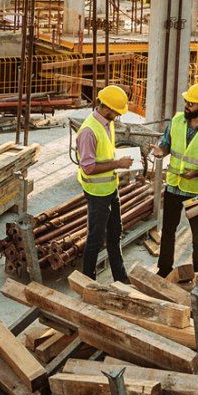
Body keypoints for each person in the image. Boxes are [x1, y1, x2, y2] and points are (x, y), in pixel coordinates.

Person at [155, 82, 198, 276]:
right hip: (174, 186)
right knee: (168, 231)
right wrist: (161, 151)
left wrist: (195, 173)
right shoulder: (177, 121)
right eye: (186, 102)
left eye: (191, 104)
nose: (186, 106)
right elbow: (166, 144)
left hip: (196, 191)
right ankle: (164, 270)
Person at [75, 84, 136, 279]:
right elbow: (88, 167)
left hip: (110, 188)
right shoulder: (88, 131)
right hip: (96, 193)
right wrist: (118, 163)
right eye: (117, 112)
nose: (118, 116)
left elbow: (105, 154)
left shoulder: (106, 122)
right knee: (95, 238)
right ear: (107, 108)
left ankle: (120, 276)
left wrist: (118, 163)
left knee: (115, 233)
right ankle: (87, 280)